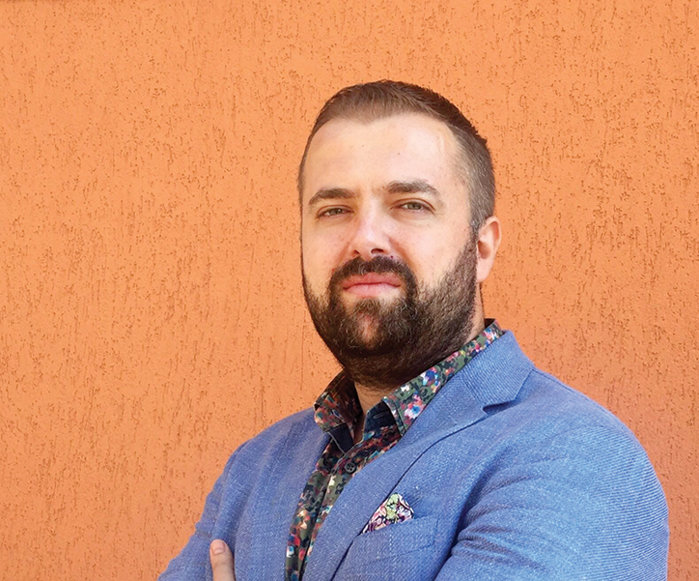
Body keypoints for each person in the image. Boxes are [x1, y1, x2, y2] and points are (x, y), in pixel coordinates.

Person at [160, 81, 668, 581]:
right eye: (334, 210)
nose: (365, 240)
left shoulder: (575, 454)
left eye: (410, 204)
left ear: (481, 248)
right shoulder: (256, 468)